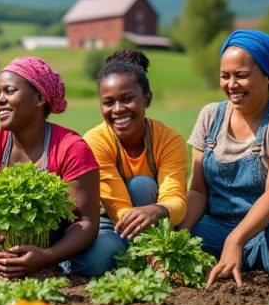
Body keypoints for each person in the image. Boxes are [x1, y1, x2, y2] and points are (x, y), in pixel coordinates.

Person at [181, 30, 269, 286]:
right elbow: (198, 190)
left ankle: (237, 255)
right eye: (225, 76)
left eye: (241, 75)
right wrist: (178, 238)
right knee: (186, 234)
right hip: (218, 226)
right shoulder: (210, 116)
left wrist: (236, 240)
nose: (231, 85)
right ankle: (247, 260)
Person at [0, 56, 100, 278]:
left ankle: (61, 264)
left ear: (40, 98)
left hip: (58, 245)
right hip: (3, 241)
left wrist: (49, 256)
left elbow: (86, 221)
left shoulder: (72, 148)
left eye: (9, 91)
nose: (0, 100)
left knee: (96, 261)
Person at [76, 50, 189, 276]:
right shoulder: (96, 141)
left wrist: (157, 210)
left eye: (127, 99)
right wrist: (145, 247)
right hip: (114, 224)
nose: (118, 109)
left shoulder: (168, 139)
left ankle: (143, 257)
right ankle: (141, 259)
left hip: (157, 224)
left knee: (141, 185)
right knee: (90, 263)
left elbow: (176, 200)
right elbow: (117, 207)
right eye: (108, 102)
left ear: (147, 99)